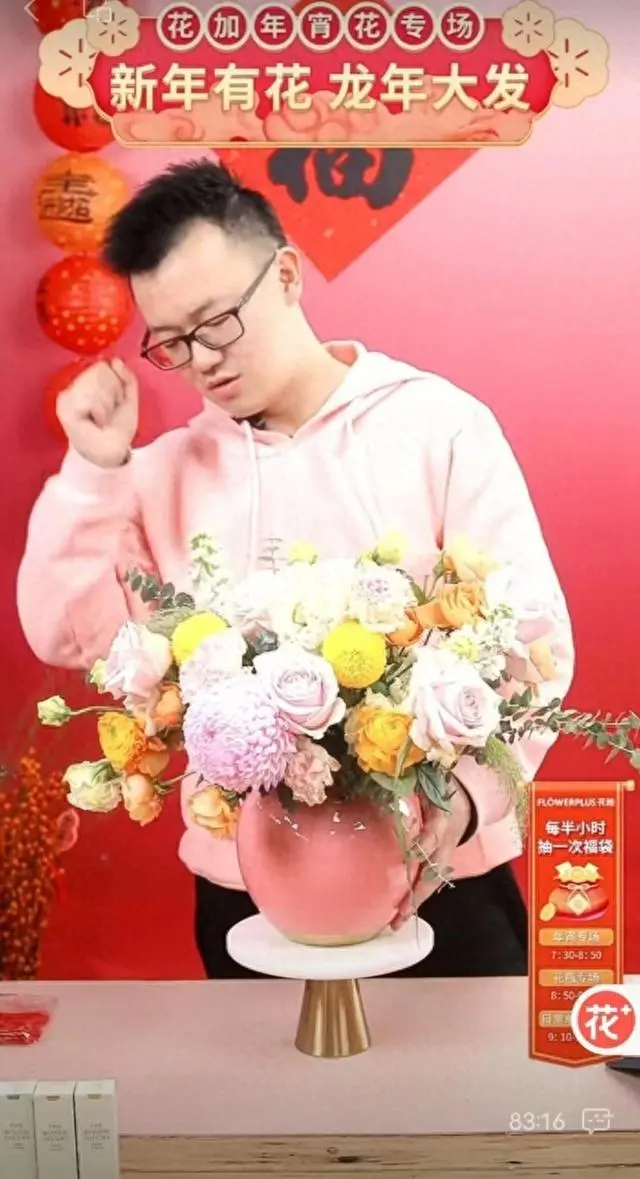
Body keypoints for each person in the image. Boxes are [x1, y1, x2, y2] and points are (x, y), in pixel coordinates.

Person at [17, 159, 574, 980]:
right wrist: (95, 472)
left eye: (216, 323)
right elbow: (65, 634)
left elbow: (535, 647)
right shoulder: (162, 473)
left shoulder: (436, 426)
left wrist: (461, 802)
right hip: (248, 888)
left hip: (441, 874)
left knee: (470, 1070)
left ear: (284, 275)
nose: (202, 360)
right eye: (173, 343)